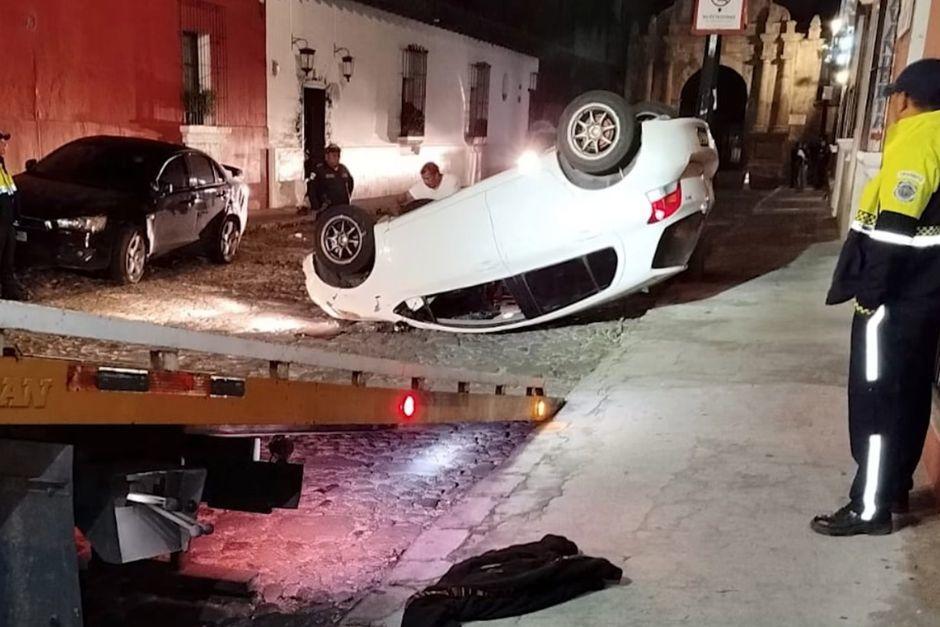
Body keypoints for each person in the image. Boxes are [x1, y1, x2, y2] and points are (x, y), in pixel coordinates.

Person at [812, 59, 940, 537]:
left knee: (875, 402)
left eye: (895, 98)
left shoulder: (918, 138)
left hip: (895, 301)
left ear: (908, 101)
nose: (892, 107)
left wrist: (871, 296)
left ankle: (869, 508)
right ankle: (894, 490)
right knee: (906, 397)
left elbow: (894, 230)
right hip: (925, 298)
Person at [0, 131, 29, 301]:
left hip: (7, 223)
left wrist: (16, 216)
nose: (5, 146)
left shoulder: (2, 167)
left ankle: (10, 295)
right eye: (1, 143)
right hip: (1, 223)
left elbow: (11, 193)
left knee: (7, 262)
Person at [304, 143, 354, 215]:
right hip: (327, 209)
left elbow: (350, 182)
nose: (336, 157)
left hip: (343, 207)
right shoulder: (320, 170)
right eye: (333, 155)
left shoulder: (343, 168)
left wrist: (348, 196)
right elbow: (312, 189)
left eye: (337, 155)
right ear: (326, 157)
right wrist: (316, 206)